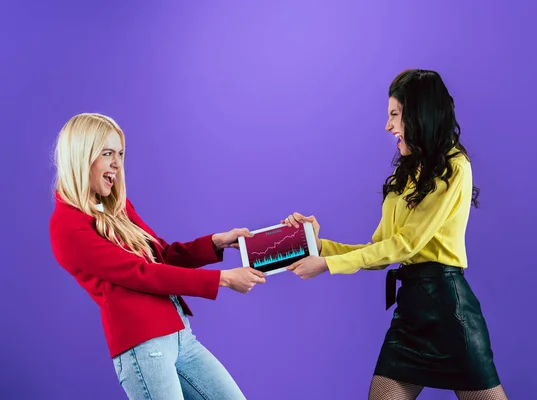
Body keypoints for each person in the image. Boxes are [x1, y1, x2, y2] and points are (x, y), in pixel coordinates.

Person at [281, 69, 508, 400]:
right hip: (411, 310)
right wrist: (314, 244)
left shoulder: (455, 166)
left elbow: (405, 245)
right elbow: (380, 250)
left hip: (448, 309)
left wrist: (327, 265)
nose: (388, 126)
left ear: (418, 113)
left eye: (394, 115)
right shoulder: (407, 172)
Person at [49, 113, 266, 400]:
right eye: (107, 153)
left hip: (181, 337)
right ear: (81, 156)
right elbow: (141, 273)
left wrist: (218, 242)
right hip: (144, 349)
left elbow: (160, 256)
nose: (117, 163)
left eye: (120, 153)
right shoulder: (67, 226)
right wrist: (222, 280)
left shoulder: (115, 206)